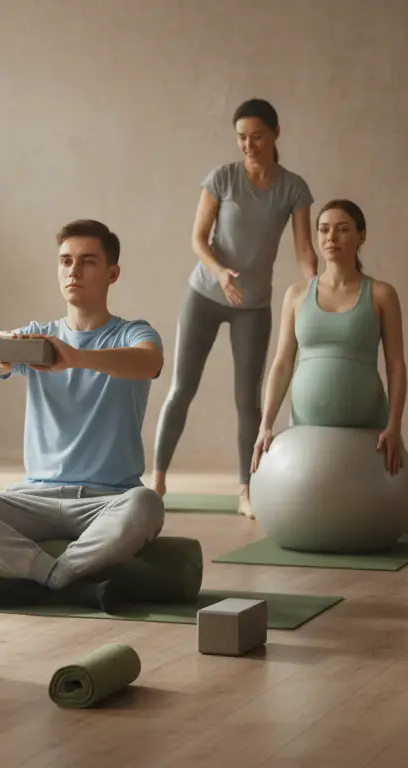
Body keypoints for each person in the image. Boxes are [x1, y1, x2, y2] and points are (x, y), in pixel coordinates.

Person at [0, 219, 166, 613]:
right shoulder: (37, 337)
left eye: (87, 261)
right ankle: (57, 578)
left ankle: (43, 580)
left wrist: (75, 357)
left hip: (106, 501)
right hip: (32, 499)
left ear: (112, 273)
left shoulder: (134, 334)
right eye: (66, 261)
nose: (74, 270)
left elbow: (149, 361)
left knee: (147, 505)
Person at [150, 97, 319, 518]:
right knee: (181, 389)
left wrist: (317, 285)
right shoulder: (223, 178)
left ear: (276, 134)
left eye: (257, 137)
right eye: (242, 138)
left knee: (249, 401)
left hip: (254, 305)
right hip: (205, 296)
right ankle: (156, 480)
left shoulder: (293, 188)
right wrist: (220, 271)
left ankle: (246, 489)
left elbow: (303, 248)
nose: (249, 145)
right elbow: (198, 238)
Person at [251, 199, 408, 477]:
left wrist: (394, 426)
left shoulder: (382, 294)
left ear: (362, 236)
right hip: (307, 430)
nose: (331, 237)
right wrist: (265, 424)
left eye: (342, 229)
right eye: (323, 230)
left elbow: (396, 366)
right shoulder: (297, 294)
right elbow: (282, 364)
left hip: (368, 427)